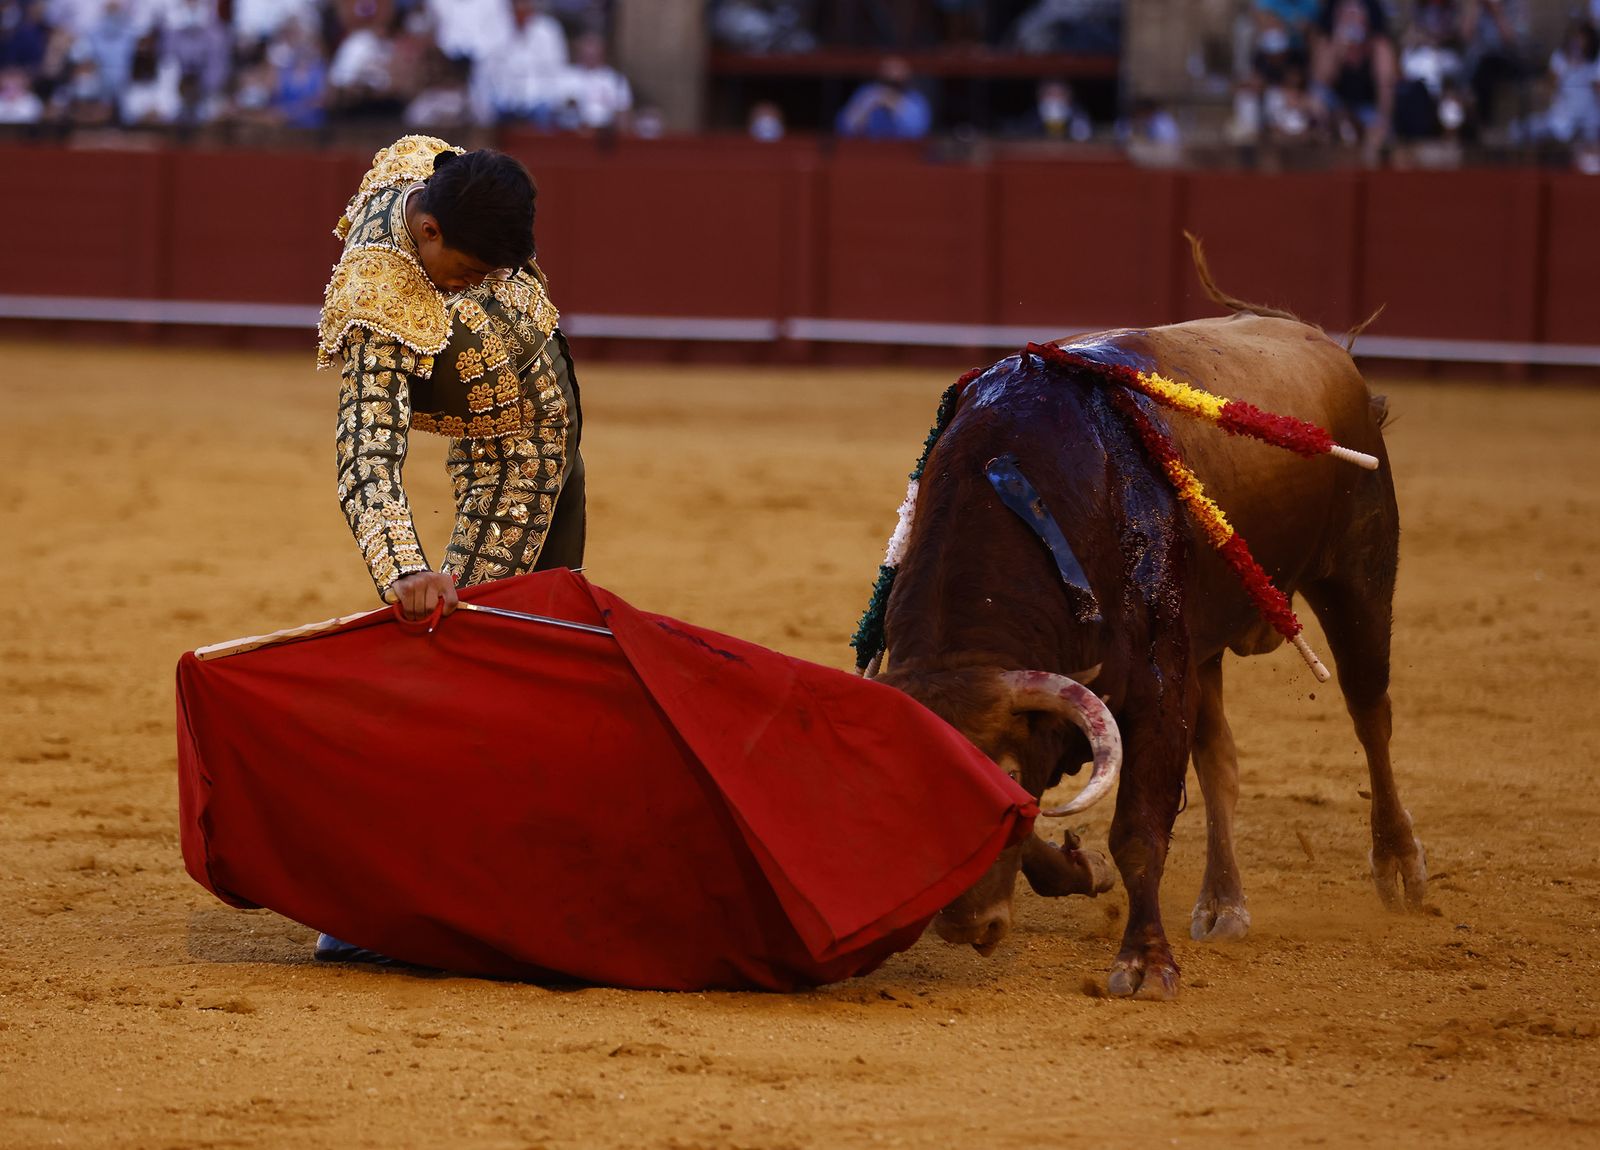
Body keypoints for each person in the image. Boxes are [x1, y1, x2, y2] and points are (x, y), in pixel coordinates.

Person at [314, 136, 585, 962]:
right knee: (468, 672)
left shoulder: (425, 165)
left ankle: (493, 876)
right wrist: (404, 568)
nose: (481, 282)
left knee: (527, 671)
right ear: (426, 233)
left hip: (541, 450)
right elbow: (366, 458)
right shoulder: (379, 298)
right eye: (467, 271)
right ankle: (381, 903)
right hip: (512, 467)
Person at [834, 55, 930, 140]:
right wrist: (868, 107)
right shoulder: (868, 93)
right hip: (868, 149)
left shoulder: (915, 99)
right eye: (888, 69)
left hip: (903, 150)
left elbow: (919, 132)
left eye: (897, 70)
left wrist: (896, 106)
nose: (893, 73)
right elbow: (844, 128)